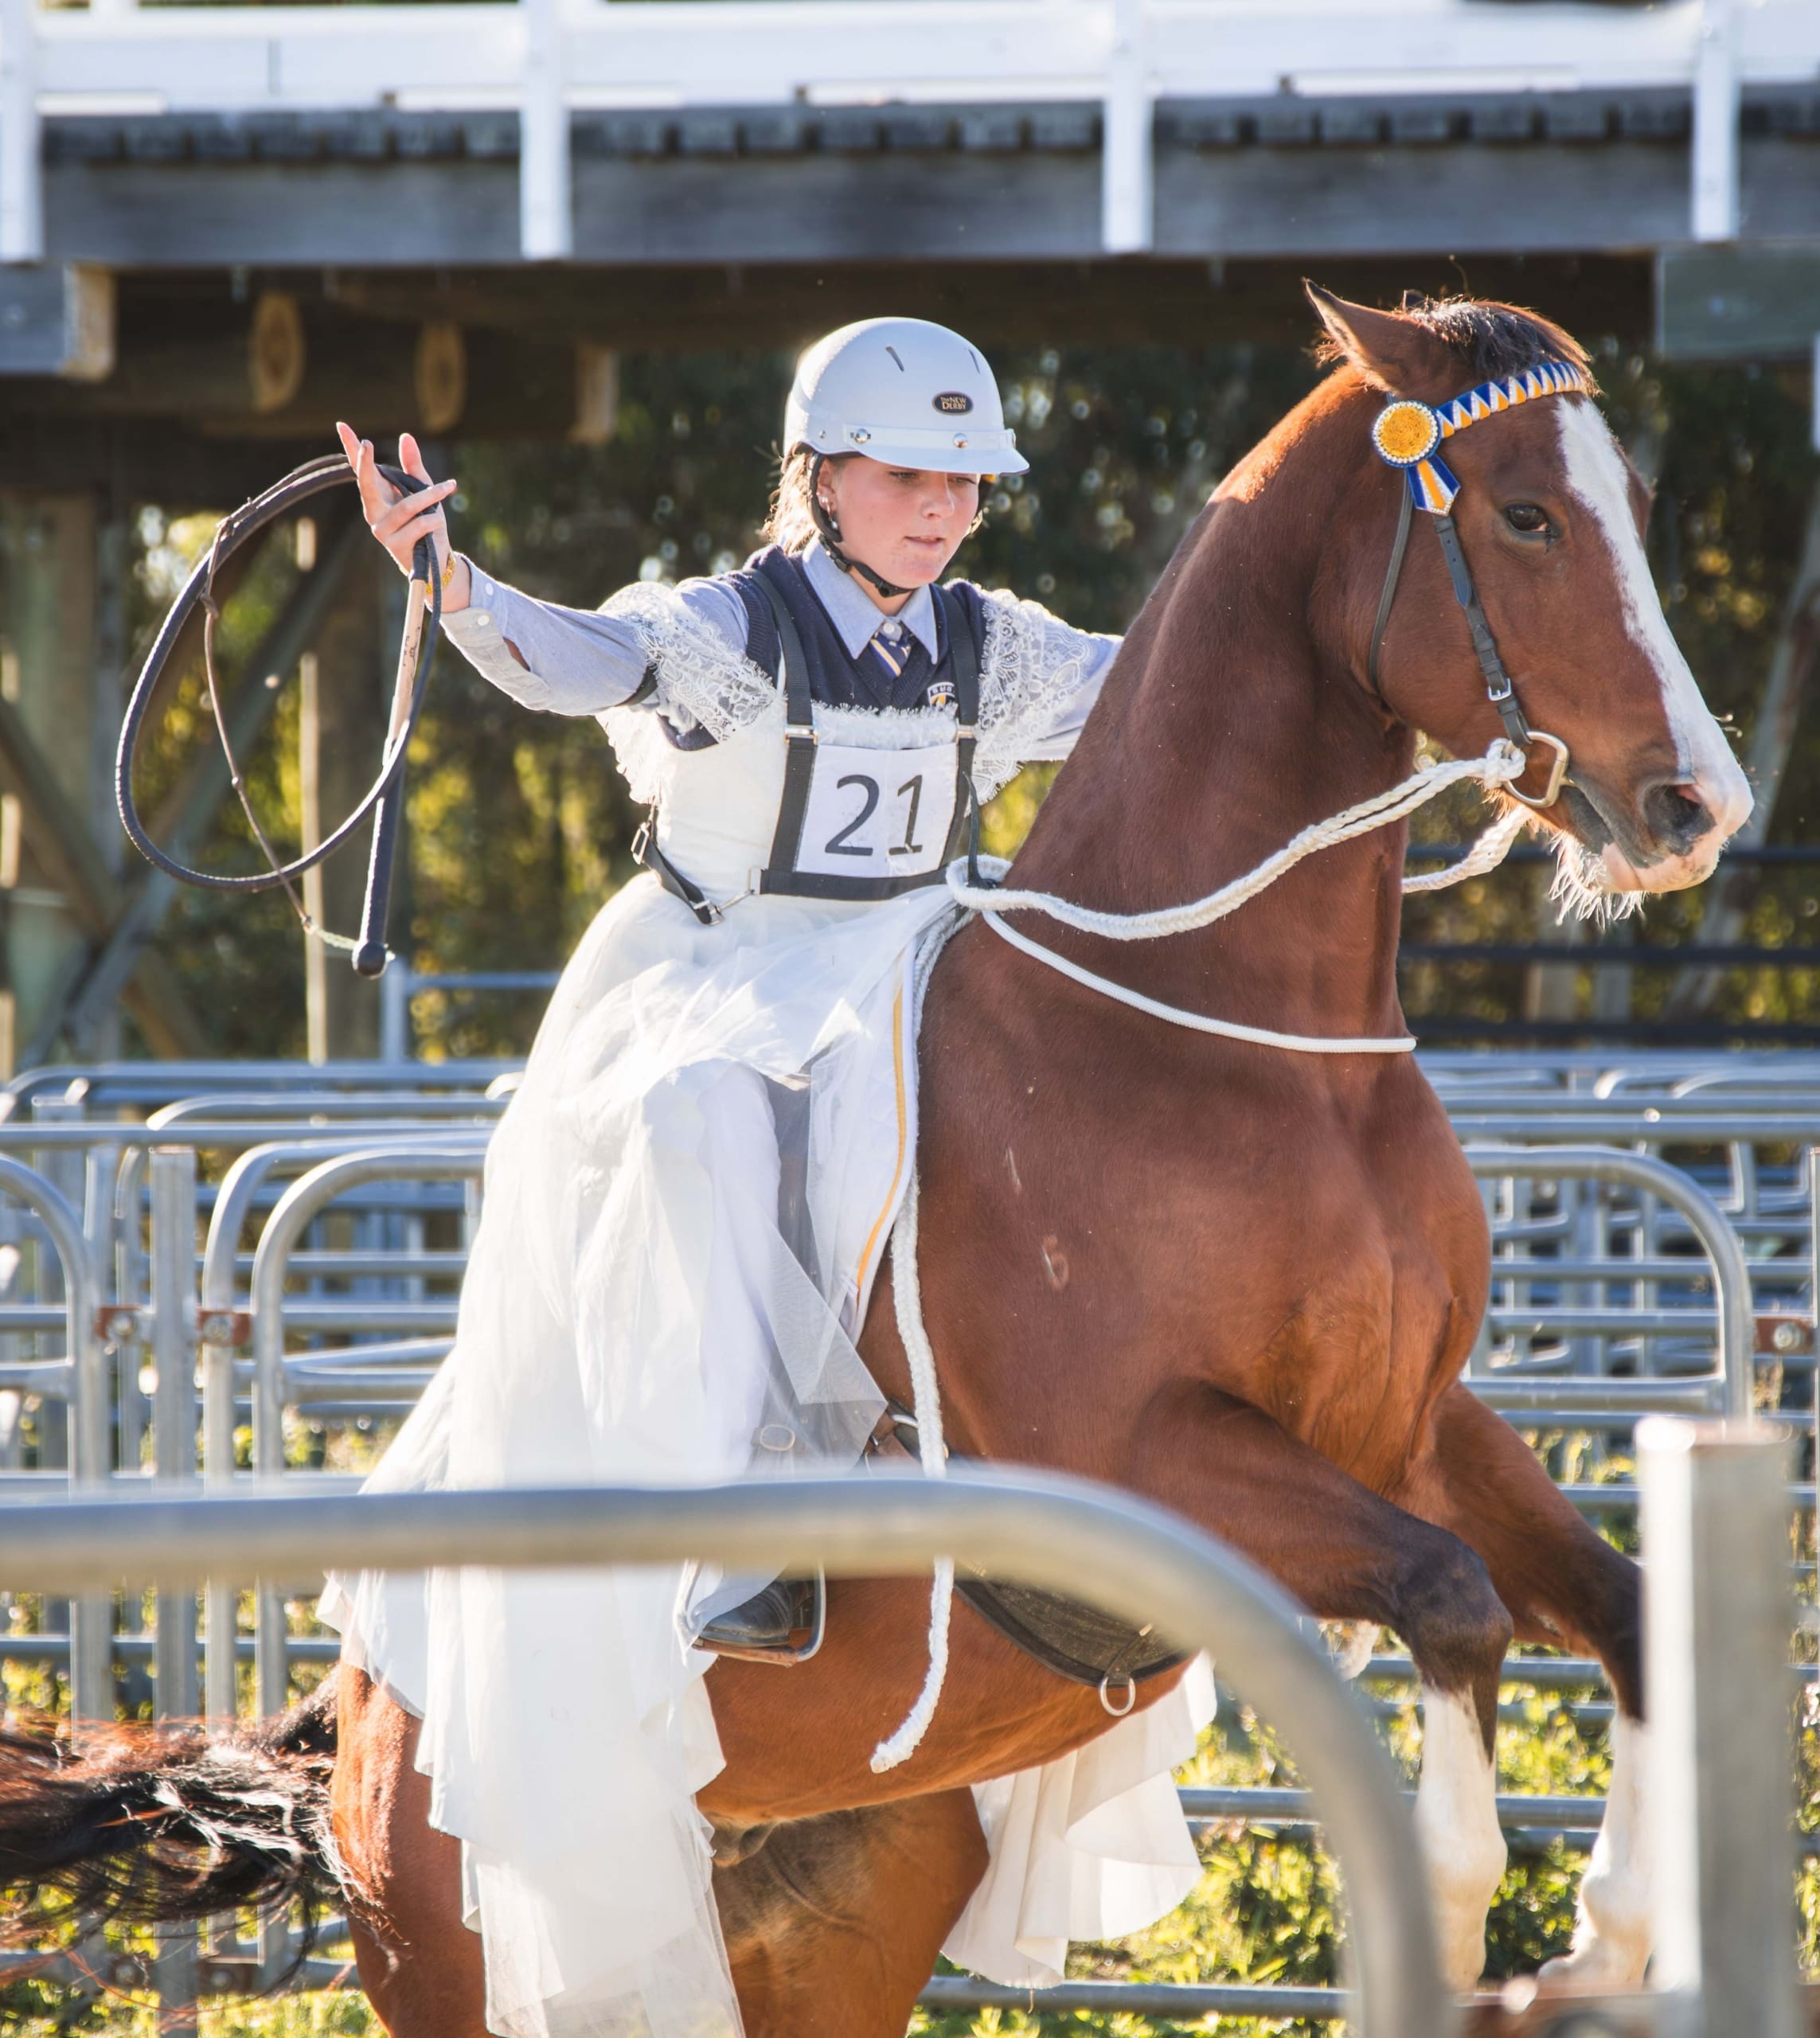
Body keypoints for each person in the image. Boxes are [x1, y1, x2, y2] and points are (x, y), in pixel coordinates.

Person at [320, 319, 1210, 2038]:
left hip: (900, 985)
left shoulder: (994, 643)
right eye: (908, 474)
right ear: (820, 477)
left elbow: (1172, 683)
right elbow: (575, 662)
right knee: (703, 1124)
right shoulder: (723, 623)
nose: (943, 507)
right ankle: (741, 1521)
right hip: (712, 987)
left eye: (964, 480)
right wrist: (450, 577)